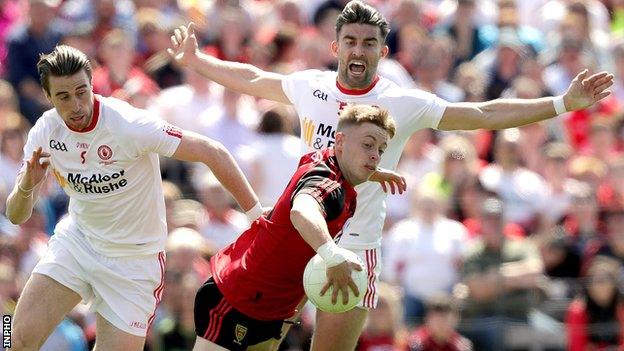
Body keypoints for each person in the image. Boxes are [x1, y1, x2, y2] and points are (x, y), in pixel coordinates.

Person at [167, 1, 614, 349]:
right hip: (298, 240)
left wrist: (560, 104)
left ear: (382, 51)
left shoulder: (402, 101)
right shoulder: (310, 87)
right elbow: (252, 78)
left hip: (356, 249)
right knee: (260, 344)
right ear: (335, 46)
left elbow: (482, 111)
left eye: (367, 43)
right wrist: (196, 61)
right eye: (350, 41)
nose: (357, 50)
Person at [4, 45, 264, 351]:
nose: (76, 105)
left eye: (81, 91)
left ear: (92, 85)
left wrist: (257, 215)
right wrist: (26, 187)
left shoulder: (127, 124)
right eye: (63, 96)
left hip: (134, 263)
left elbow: (212, 151)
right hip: (78, 243)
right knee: (13, 338)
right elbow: (16, 215)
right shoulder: (45, 132)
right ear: (48, 98)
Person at [192, 104, 401, 351]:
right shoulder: (329, 186)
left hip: (271, 308)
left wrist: (372, 173)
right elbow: (302, 211)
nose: (375, 155)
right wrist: (332, 257)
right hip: (238, 298)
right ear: (340, 142)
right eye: (368, 145)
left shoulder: (324, 158)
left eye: (381, 149)